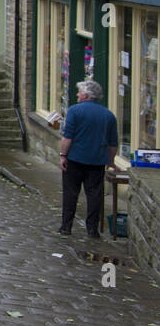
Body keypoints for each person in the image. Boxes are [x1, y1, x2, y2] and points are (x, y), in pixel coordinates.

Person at [59, 80, 119, 238]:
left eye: (79, 92)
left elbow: (67, 137)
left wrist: (63, 156)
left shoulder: (75, 111)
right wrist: (110, 160)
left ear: (85, 95)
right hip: (97, 161)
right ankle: (92, 229)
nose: (77, 95)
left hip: (75, 158)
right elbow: (113, 144)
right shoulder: (108, 115)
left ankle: (66, 226)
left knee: (71, 192)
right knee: (94, 195)